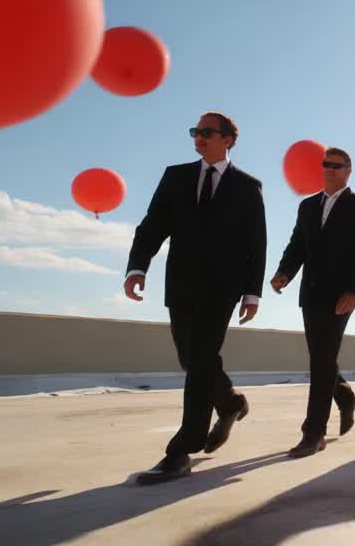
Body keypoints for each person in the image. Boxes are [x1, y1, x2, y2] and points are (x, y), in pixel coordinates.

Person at [124, 112, 267, 484]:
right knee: (192, 358)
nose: (198, 138)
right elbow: (153, 224)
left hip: (223, 288)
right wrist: (137, 267)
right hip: (182, 284)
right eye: (195, 132)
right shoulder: (176, 177)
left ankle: (181, 450)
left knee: (202, 356)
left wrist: (253, 291)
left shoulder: (248, 187)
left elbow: (256, 245)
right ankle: (232, 403)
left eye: (206, 132)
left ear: (228, 140)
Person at [271, 147, 355, 457]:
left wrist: (354, 292)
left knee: (322, 359)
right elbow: (298, 245)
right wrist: (284, 273)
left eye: (336, 165)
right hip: (311, 293)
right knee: (320, 356)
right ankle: (344, 397)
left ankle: (313, 432)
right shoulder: (307, 206)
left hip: (340, 296)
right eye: (326, 165)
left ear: (348, 170)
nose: (329, 169)